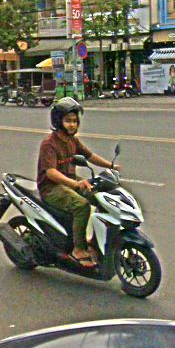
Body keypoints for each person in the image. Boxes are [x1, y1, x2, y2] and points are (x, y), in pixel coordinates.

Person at [37, 97, 120, 268]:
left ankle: (95, 242)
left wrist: (111, 166)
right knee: (82, 206)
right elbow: (51, 173)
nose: (72, 125)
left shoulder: (72, 140)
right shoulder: (49, 144)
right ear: (58, 121)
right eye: (68, 121)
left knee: (100, 198)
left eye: (75, 121)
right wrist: (75, 184)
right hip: (51, 188)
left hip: (69, 181)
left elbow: (90, 156)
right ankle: (78, 249)